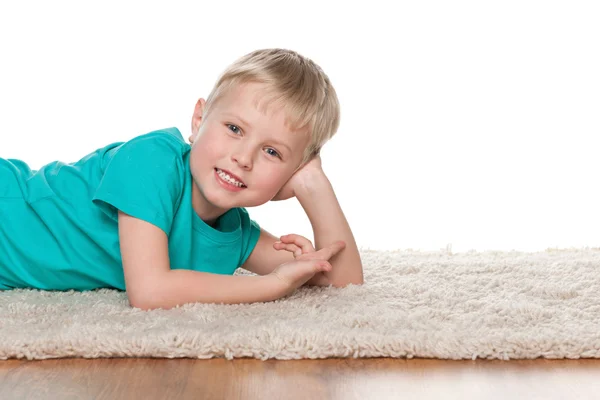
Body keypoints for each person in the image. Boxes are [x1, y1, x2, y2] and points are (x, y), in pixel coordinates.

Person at [0, 48, 364, 310]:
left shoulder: (235, 235)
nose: (243, 157)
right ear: (198, 121)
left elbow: (343, 283)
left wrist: (314, 185)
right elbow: (149, 291)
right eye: (234, 128)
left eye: (272, 152)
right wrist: (273, 285)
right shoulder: (152, 159)